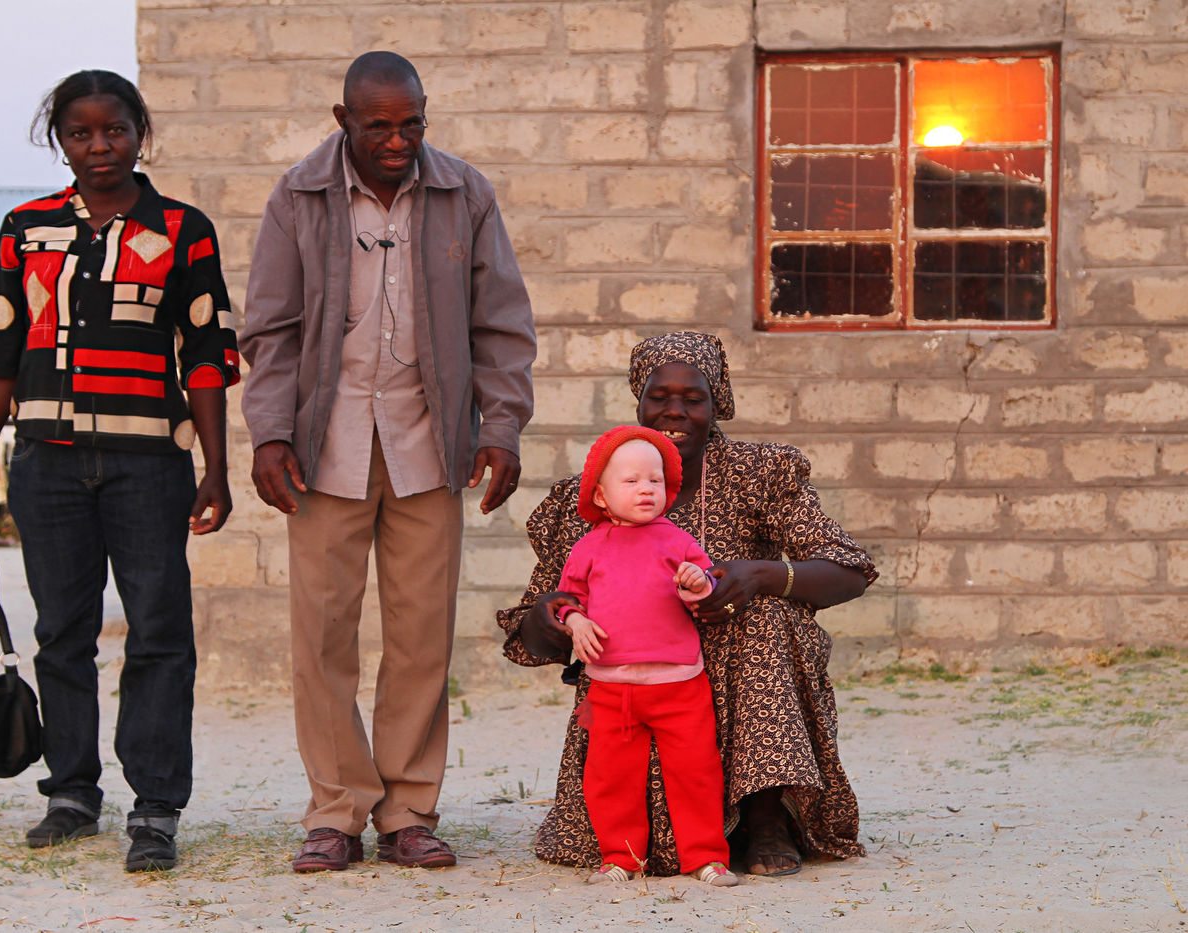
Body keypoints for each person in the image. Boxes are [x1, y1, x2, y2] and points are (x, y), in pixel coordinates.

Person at [239, 51, 535, 873]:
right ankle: (336, 811)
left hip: (428, 445)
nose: (399, 140)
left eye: (412, 123)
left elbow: (502, 322)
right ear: (344, 121)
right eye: (380, 126)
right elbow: (269, 329)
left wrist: (502, 425)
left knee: (421, 636)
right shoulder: (298, 196)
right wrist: (269, 433)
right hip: (322, 449)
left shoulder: (464, 192)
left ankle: (407, 811)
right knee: (322, 636)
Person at [0, 69, 241, 873]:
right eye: (81, 133)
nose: (100, 146)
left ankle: (156, 806)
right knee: (62, 632)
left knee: (159, 633)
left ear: (140, 133)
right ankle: (71, 790)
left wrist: (215, 466)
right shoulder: (25, 229)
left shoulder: (182, 229)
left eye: (115, 130)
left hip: (150, 466)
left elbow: (207, 355)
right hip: (46, 463)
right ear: (60, 141)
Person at [498, 331, 876, 879]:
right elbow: (529, 635)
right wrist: (558, 617)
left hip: (733, 668)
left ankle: (765, 815)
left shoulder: (759, 473)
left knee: (767, 613)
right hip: (631, 681)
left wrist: (757, 575)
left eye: (693, 398)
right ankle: (639, 837)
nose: (674, 411)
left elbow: (850, 569)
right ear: (639, 401)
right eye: (659, 397)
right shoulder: (596, 491)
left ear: (717, 402)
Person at [557, 425, 740, 889]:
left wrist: (696, 584)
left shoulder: (677, 541)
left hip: (680, 684)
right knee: (610, 777)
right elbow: (567, 599)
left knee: (696, 772)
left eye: (655, 480)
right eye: (631, 480)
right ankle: (621, 857)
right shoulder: (589, 547)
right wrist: (576, 621)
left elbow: (706, 584)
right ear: (601, 495)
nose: (646, 489)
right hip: (610, 686)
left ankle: (705, 856)